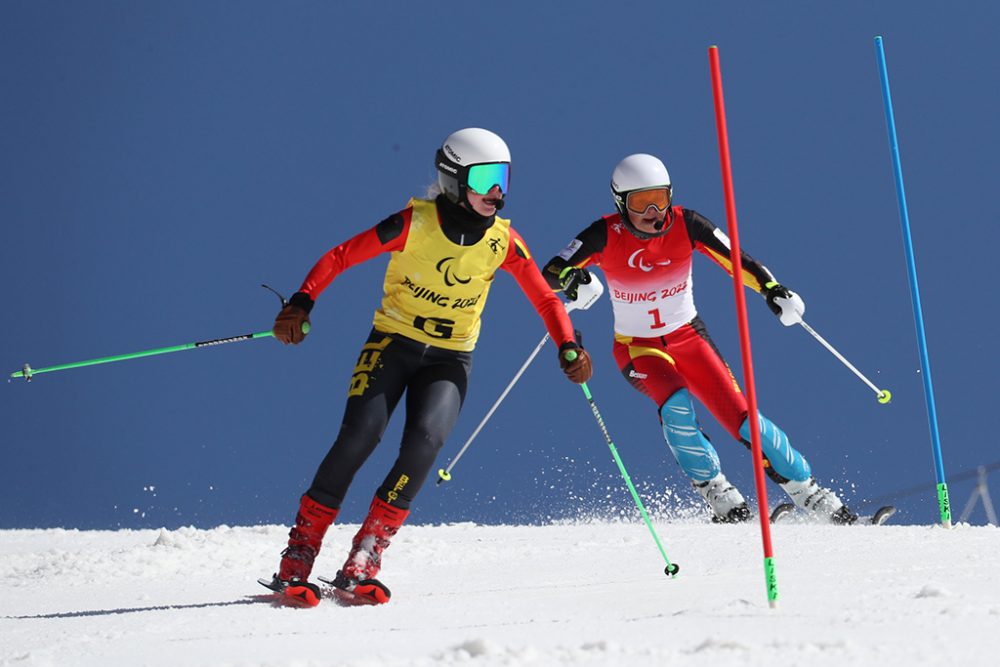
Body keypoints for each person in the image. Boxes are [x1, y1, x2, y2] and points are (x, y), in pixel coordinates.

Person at [263, 128, 592, 607]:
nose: (497, 191)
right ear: (455, 178)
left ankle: (364, 558)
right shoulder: (413, 223)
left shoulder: (502, 240)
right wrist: (302, 301)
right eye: (484, 179)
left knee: (424, 444)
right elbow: (341, 256)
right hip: (393, 343)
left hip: (450, 358)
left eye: (502, 178)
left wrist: (569, 345)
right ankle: (299, 554)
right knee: (360, 437)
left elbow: (544, 296)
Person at [542, 153, 857, 525]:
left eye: (660, 198)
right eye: (641, 203)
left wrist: (771, 289)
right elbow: (553, 270)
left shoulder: (688, 224)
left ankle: (812, 494)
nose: (654, 211)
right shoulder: (604, 234)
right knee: (675, 403)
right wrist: (572, 279)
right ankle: (718, 492)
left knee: (743, 418)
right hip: (636, 347)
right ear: (620, 204)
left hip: (689, 338)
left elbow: (737, 259)